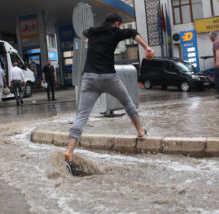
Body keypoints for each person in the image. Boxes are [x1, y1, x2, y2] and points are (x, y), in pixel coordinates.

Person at [64, 13, 155, 171]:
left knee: (82, 115)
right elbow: (134, 34)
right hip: (108, 78)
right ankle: (140, 131)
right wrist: (147, 48)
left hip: (89, 78)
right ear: (117, 24)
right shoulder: (115, 32)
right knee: (127, 103)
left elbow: (85, 33)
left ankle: (69, 151)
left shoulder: (92, 32)